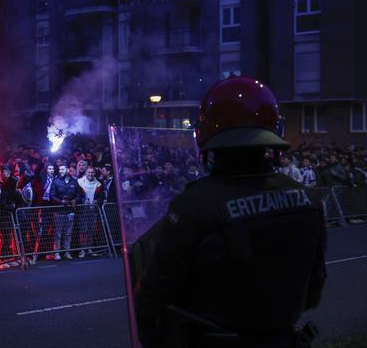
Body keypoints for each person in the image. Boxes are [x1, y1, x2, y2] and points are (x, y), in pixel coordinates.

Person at [135, 77, 326, 348]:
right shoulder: (308, 199)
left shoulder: (194, 205)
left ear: (204, 136)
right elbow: (313, 294)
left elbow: (153, 298)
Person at [50, 165, 81, 260]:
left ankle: (67, 252)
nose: (60, 171)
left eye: (62, 169)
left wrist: (75, 201)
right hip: (59, 210)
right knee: (58, 233)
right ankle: (57, 253)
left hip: (70, 211)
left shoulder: (74, 181)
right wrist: (61, 202)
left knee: (68, 233)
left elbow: (78, 195)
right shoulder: (55, 181)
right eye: (59, 169)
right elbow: (52, 195)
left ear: (67, 170)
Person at [76, 167, 103, 258]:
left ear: (94, 173)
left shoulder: (98, 184)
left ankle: (89, 248)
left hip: (93, 210)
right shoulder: (79, 182)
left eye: (92, 172)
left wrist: (97, 201)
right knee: (83, 230)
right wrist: (82, 201)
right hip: (83, 210)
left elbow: (101, 197)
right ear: (85, 173)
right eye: (89, 172)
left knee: (91, 230)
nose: (90, 174)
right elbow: (77, 195)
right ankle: (82, 250)